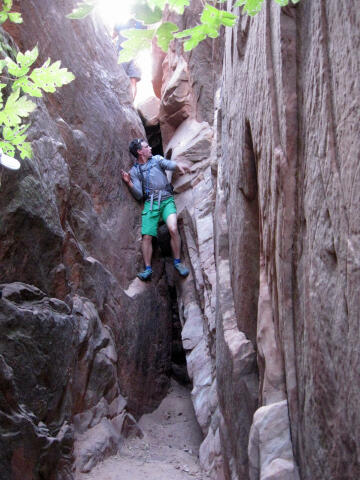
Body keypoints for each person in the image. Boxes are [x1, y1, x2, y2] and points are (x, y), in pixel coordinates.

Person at [121, 138, 190, 281]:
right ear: (140, 152)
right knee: (147, 236)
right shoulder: (135, 171)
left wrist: (178, 165)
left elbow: (168, 164)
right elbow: (139, 195)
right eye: (147, 147)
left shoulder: (157, 159)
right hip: (151, 204)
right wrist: (129, 183)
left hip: (166, 200)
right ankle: (147, 269)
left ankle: (177, 262)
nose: (151, 148)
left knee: (173, 228)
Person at [113, 20, 143, 100]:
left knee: (133, 81)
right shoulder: (120, 22)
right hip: (122, 55)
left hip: (135, 56)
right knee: (122, 80)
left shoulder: (141, 22)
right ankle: (121, 102)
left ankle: (130, 103)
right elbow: (113, 36)